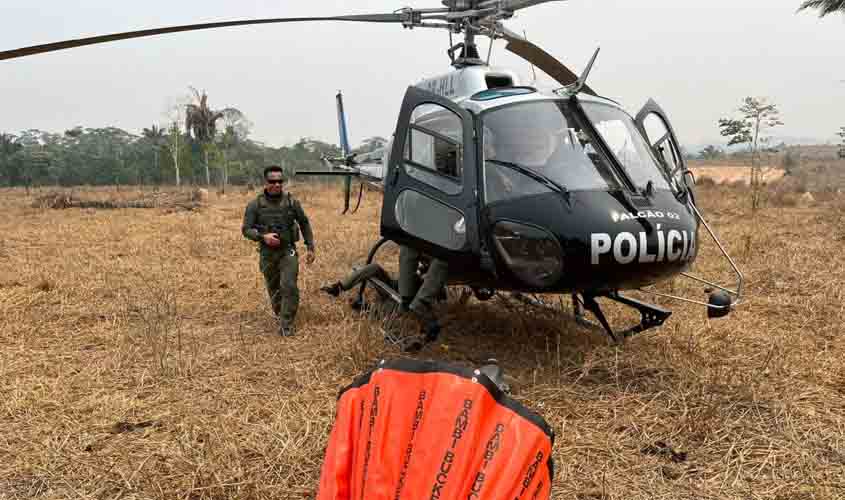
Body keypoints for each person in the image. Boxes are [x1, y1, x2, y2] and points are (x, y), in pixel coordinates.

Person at [242, 166, 315, 336]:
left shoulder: (291, 203)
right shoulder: (255, 205)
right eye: (272, 181)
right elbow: (246, 229)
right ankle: (280, 313)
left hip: (287, 251)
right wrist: (263, 237)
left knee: (288, 286)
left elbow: (304, 223)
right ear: (265, 183)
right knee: (274, 289)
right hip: (267, 254)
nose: (276, 184)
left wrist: (310, 246)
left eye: (279, 181)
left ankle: (286, 325)